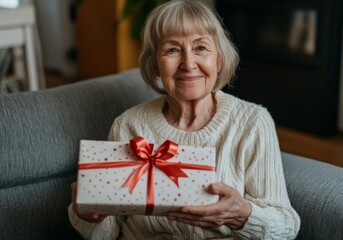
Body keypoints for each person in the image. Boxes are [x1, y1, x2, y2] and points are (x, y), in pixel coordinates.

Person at [68, 0, 301, 239]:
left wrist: (241, 215)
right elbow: (107, 234)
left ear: (218, 60)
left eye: (200, 48)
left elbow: (286, 227)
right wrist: (85, 213)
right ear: (156, 65)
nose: (189, 64)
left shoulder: (252, 123)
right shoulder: (128, 125)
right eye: (172, 50)